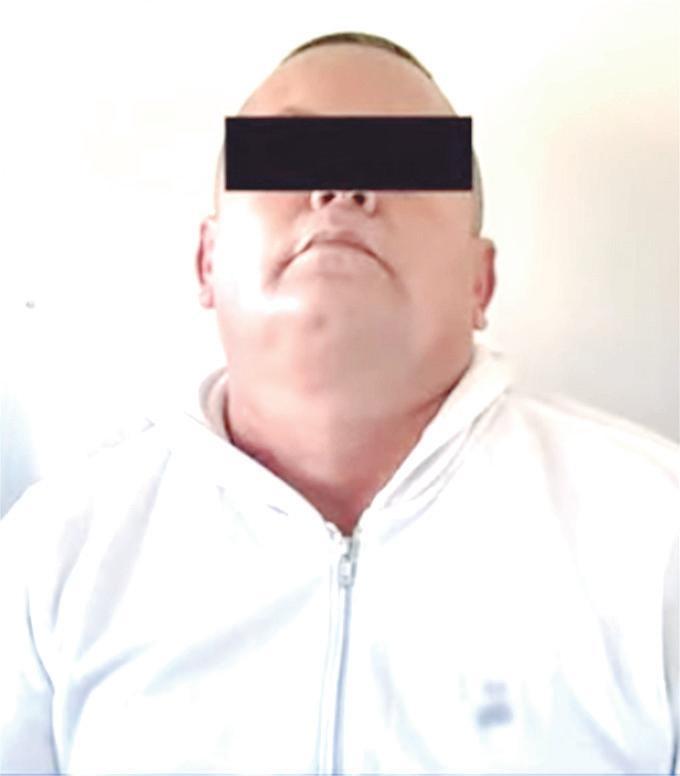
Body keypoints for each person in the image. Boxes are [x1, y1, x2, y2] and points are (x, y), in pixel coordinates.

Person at [1, 31, 677, 776]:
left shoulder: (656, 538)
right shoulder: (52, 555)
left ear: (478, 282)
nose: (342, 191)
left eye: (402, 164)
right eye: (289, 157)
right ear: (207, 261)